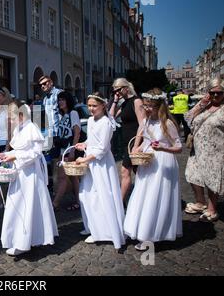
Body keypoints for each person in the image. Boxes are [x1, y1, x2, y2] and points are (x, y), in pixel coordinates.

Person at [123, 89, 183, 250]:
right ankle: (141, 230)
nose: (147, 109)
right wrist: (139, 149)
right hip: (148, 163)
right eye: (145, 105)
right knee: (143, 196)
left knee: (157, 198)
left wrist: (163, 149)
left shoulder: (167, 124)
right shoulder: (147, 122)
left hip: (163, 164)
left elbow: (178, 147)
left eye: (150, 106)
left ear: (159, 106)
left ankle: (151, 235)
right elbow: (146, 142)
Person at [0, 101, 58, 256]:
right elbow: (17, 150)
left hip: (30, 174)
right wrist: (4, 155)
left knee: (26, 204)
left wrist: (14, 157)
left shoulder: (32, 128)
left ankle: (24, 241)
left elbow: (35, 153)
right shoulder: (20, 128)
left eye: (11, 118)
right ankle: (25, 238)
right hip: (20, 171)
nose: (10, 122)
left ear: (20, 115)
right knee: (18, 204)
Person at [74, 92, 125, 250]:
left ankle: (107, 231)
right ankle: (93, 227)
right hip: (91, 161)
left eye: (94, 106)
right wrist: (84, 144)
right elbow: (92, 140)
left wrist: (85, 159)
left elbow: (103, 148)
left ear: (103, 105)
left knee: (102, 195)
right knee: (87, 194)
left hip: (101, 164)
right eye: (89, 105)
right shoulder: (90, 120)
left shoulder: (105, 123)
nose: (91, 108)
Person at [184, 78, 224, 222]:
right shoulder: (204, 106)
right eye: (212, 92)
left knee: (212, 179)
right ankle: (200, 203)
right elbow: (187, 118)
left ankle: (212, 209)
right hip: (197, 149)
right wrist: (202, 103)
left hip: (216, 151)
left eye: (219, 93)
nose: (215, 96)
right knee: (192, 174)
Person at [109, 78, 145, 201]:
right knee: (139, 172)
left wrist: (136, 145)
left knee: (125, 171)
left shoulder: (137, 101)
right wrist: (114, 101)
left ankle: (119, 201)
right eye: (114, 91)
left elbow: (142, 124)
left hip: (134, 142)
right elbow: (111, 117)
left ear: (126, 88)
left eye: (118, 90)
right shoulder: (124, 103)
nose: (116, 93)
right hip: (126, 143)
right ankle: (142, 197)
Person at [52, 91, 81, 211]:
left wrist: (72, 150)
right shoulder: (63, 115)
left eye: (63, 99)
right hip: (62, 150)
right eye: (59, 100)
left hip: (69, 150)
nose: (60, 102)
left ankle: (55, 203)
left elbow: (77, 132)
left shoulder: (73, 113)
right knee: (73, 177)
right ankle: (80, 202)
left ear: (68, 100)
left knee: (62, 177)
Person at [39, 76, 63, 193]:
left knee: (61, 162)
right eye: (41, 85)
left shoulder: (59, 94)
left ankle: (62, 188)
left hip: (61, 134)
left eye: (45, 83)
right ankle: (56, 188)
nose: (43, 86)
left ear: (51, 82)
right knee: (54, 161)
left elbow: (65, 112)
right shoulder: (45, 99)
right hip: (51, 134)